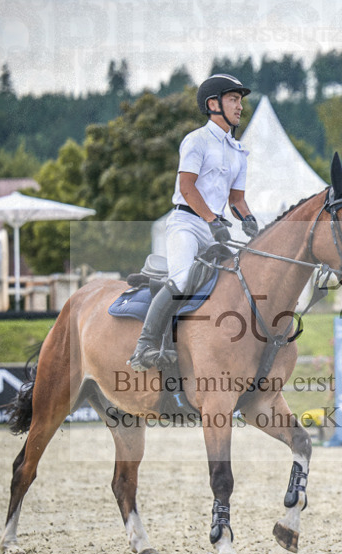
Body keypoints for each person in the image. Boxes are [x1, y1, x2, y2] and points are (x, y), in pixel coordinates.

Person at [128, 73, 259, 372]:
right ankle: (145, 345)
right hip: (187, 223)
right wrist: (211, 220)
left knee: (236, 280)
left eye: (240, 101)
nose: (240, 107)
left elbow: (236, 200)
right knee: (183, 279)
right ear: (213, 104)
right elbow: (187, 188)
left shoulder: (239, 152)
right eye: (233, 99)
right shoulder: (196, 140)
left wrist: (250, 220)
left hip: (216, 227)